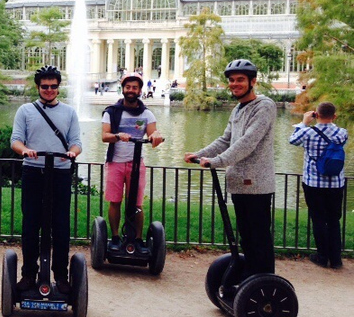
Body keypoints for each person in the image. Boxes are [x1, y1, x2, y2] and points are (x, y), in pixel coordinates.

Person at [185, 59, 277, 277]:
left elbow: (248, 141)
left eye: (240, 80)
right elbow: (226, 139)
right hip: (238, 183)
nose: (235, 84)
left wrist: (216, 161)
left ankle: (265, 286)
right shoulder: (237, 109)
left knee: (259, 239)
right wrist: (200, 154)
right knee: (246, 237)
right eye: (232, 80)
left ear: (253, 81)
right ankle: (250, 282)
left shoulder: (264, 106)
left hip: (257, 185)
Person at [10, 65, 82, 294]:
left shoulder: (69, 112)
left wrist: (72, 152)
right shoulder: (25, 111)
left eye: (53, 86)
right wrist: (24, 151)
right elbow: (16, 140)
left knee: (60, 225)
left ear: (58, 87)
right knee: (31, 224)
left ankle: (61, 275)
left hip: (60, 173)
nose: (49, 90)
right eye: (44, 86)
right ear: (38, 87)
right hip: (33, 171)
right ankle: (28, 274)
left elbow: (76, 142)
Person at [101, 72, 164, 254]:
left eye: (134, 87)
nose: (131, 90)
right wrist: (117, 136)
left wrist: (156, 136)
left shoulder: (146, 113)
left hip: (137, 163)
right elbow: (105, 136)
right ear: (123, 89)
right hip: (115, 162)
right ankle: (114, 237)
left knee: (136, 203)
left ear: (140, 90)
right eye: (128, 87)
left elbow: (153, 134)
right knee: (115, 201)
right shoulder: (111, 112)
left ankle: (137, 239)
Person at [289, 102, 348, 269]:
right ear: (334, 116)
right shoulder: (342, 133)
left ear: (316, 114)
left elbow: (292, 140)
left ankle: (322, 256)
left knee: (318, 219)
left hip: (313, 183)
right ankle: (336, 259)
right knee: (334, 220)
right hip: (336, 183)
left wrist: (304, 122)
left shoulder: (307, 133)